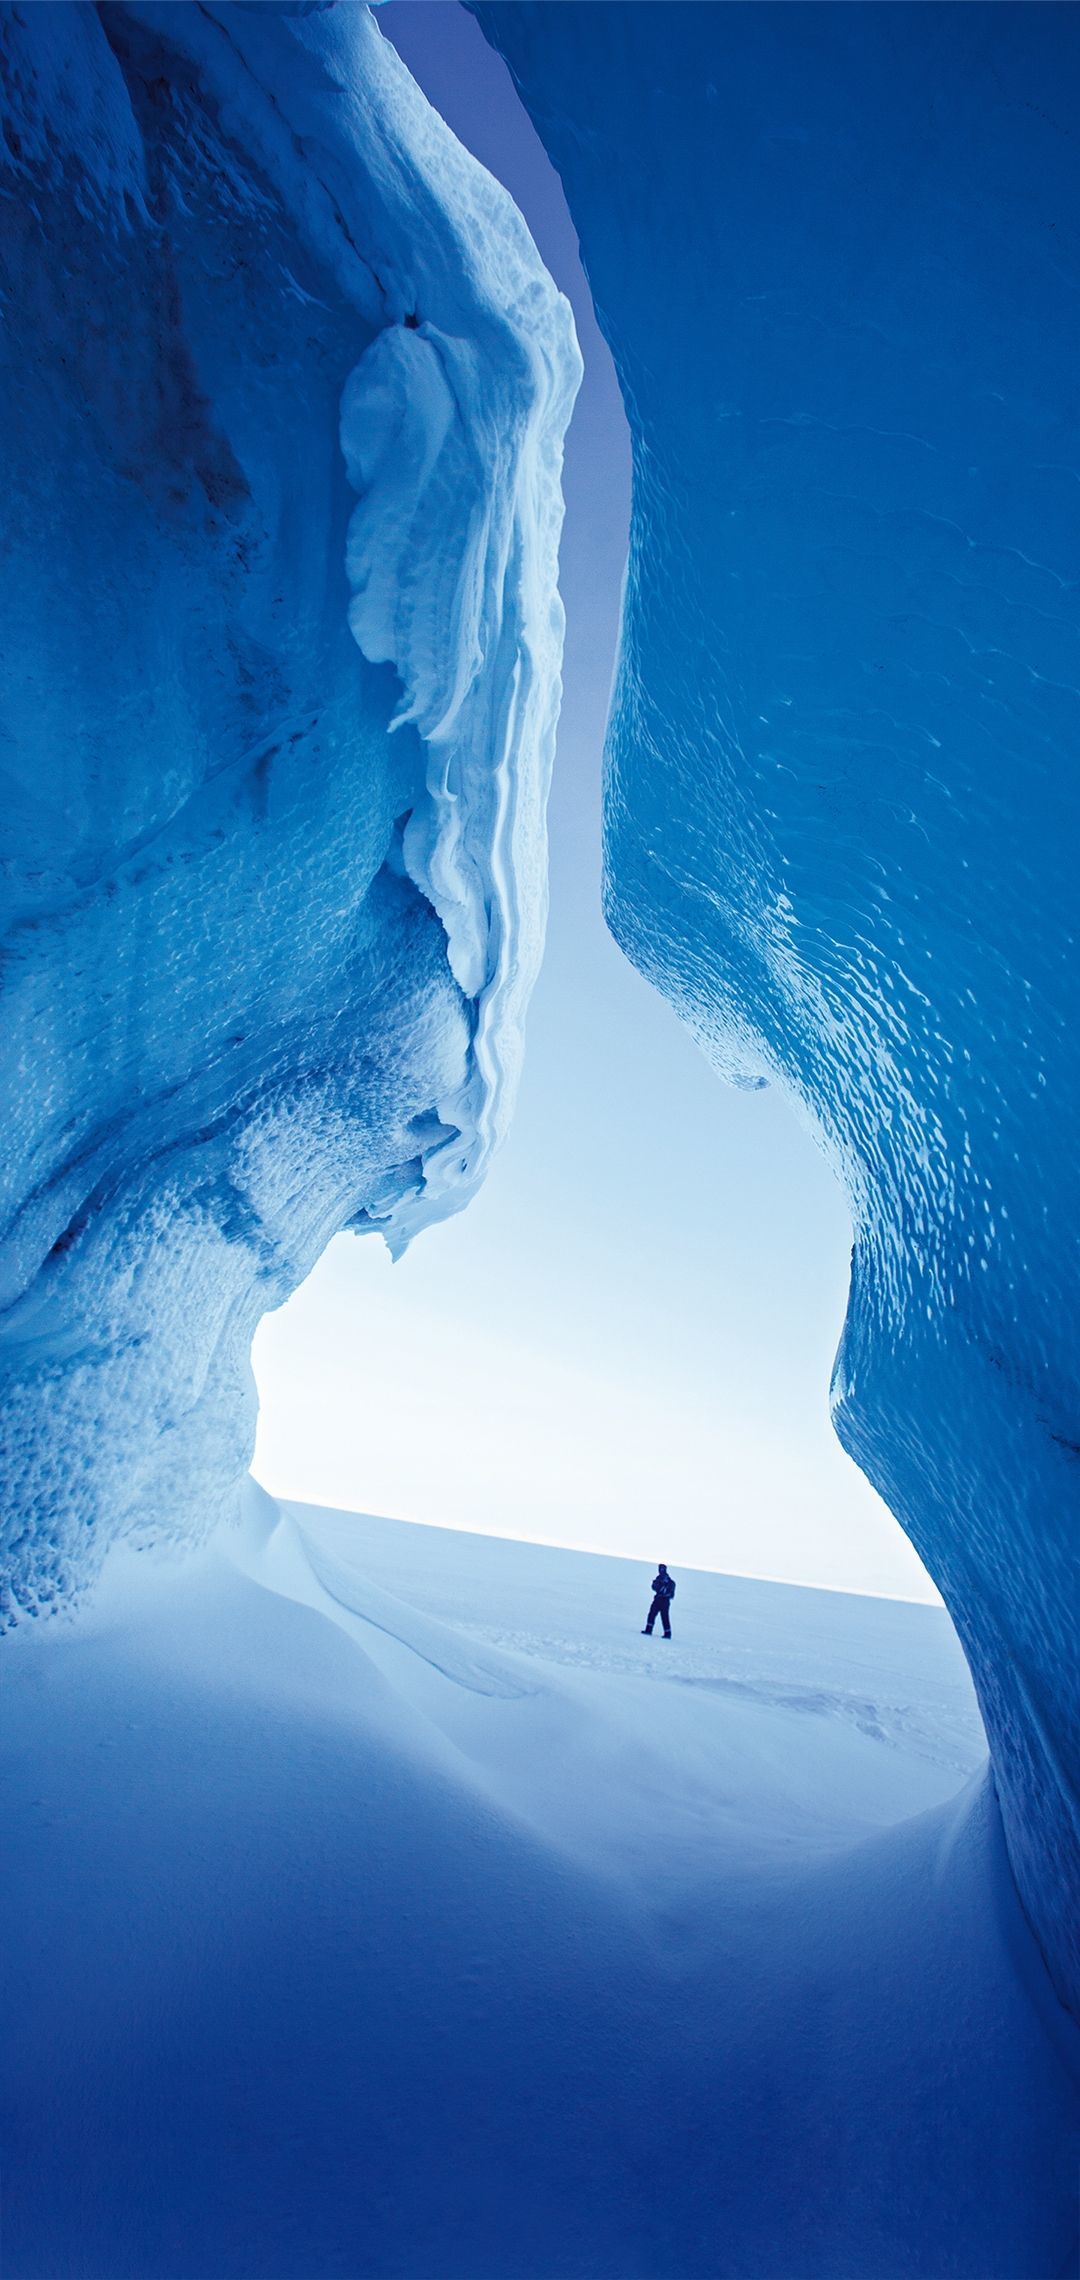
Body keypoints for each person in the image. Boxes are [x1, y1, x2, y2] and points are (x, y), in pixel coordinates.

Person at [641, 1563, 676, 1639]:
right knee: (652, 1614)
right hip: (658, 1599)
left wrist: (664, 1590)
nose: (661, 1570)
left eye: (662, 1569)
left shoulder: (670, 1581)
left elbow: (671, 1594)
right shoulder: (659, 1578)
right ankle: (648, 1630)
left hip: (664, 1601)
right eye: (660, 1569)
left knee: (664, 1617)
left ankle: (667, 1633)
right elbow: (654, 1587)